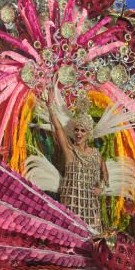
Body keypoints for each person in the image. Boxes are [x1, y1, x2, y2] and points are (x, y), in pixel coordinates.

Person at [48, 95, 109, 231]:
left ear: (89, 133)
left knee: (93, 240)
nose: (79, 133)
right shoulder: (70, 151)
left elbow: (105, 175)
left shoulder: (96, 154)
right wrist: (50, 108)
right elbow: (58, 129)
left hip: (91, 208)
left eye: (83, 130)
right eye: (76, 130)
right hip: (71, 208)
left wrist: (101, 188)